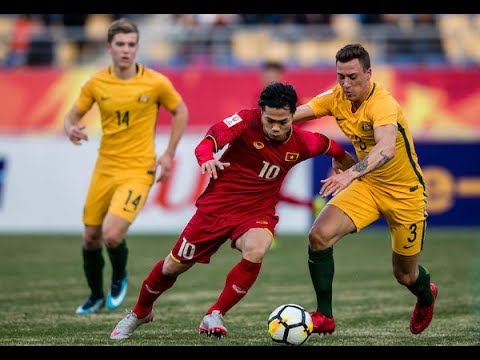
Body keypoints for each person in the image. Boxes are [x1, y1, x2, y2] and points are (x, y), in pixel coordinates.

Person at [109, 82, 356, 340]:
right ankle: (140, 312)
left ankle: (215, 313)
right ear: (261, 112)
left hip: (256, 212)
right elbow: (208, 142)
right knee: (173, 267)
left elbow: (336, 150)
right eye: (269, 120)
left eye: (282, 122)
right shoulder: (245, 121)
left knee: (257, 248)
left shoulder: (305, 142)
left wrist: (345, 171)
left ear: (293, 115)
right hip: (216, 209)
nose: (274, 127)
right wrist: (207, 159)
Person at [292, 43, 438, 336]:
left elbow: (386, 149)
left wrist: (349, 175)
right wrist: (257, 122)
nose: (346, 84)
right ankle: (325, 316)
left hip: (404, 194)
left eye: (353, 77)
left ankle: (426, 295)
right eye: (340, 76)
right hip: (369, 186)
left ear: (369, 73)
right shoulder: (336, 97)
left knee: (405, 274)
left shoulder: (383, 104)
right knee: (318, 236)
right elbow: (296, 114)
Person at [64, 18, 189, 315]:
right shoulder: (96, 83)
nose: (126, 50)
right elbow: (72, 116)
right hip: (104, 167)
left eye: (131, 44)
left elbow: (180, 111)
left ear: (136, 47)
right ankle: (95, 295)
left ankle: (119, 276)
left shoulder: (155, 82)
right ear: (109, 48)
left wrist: (169, 154)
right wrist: (71, 128)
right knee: (90, 238)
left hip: (138, 170)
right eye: (120, 44)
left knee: (111, 234)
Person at [256, 61, 326, 241]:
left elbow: (306, 118)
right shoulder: (260, 98)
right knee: (270, 191)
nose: (269, 78)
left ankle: (269, 233)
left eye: (273, 75)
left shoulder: (290, 99)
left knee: (269, 190)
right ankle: (310, 205)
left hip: (284, 152)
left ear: (280, 76)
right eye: (267, 75)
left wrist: (291, 138)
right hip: (264, 152)